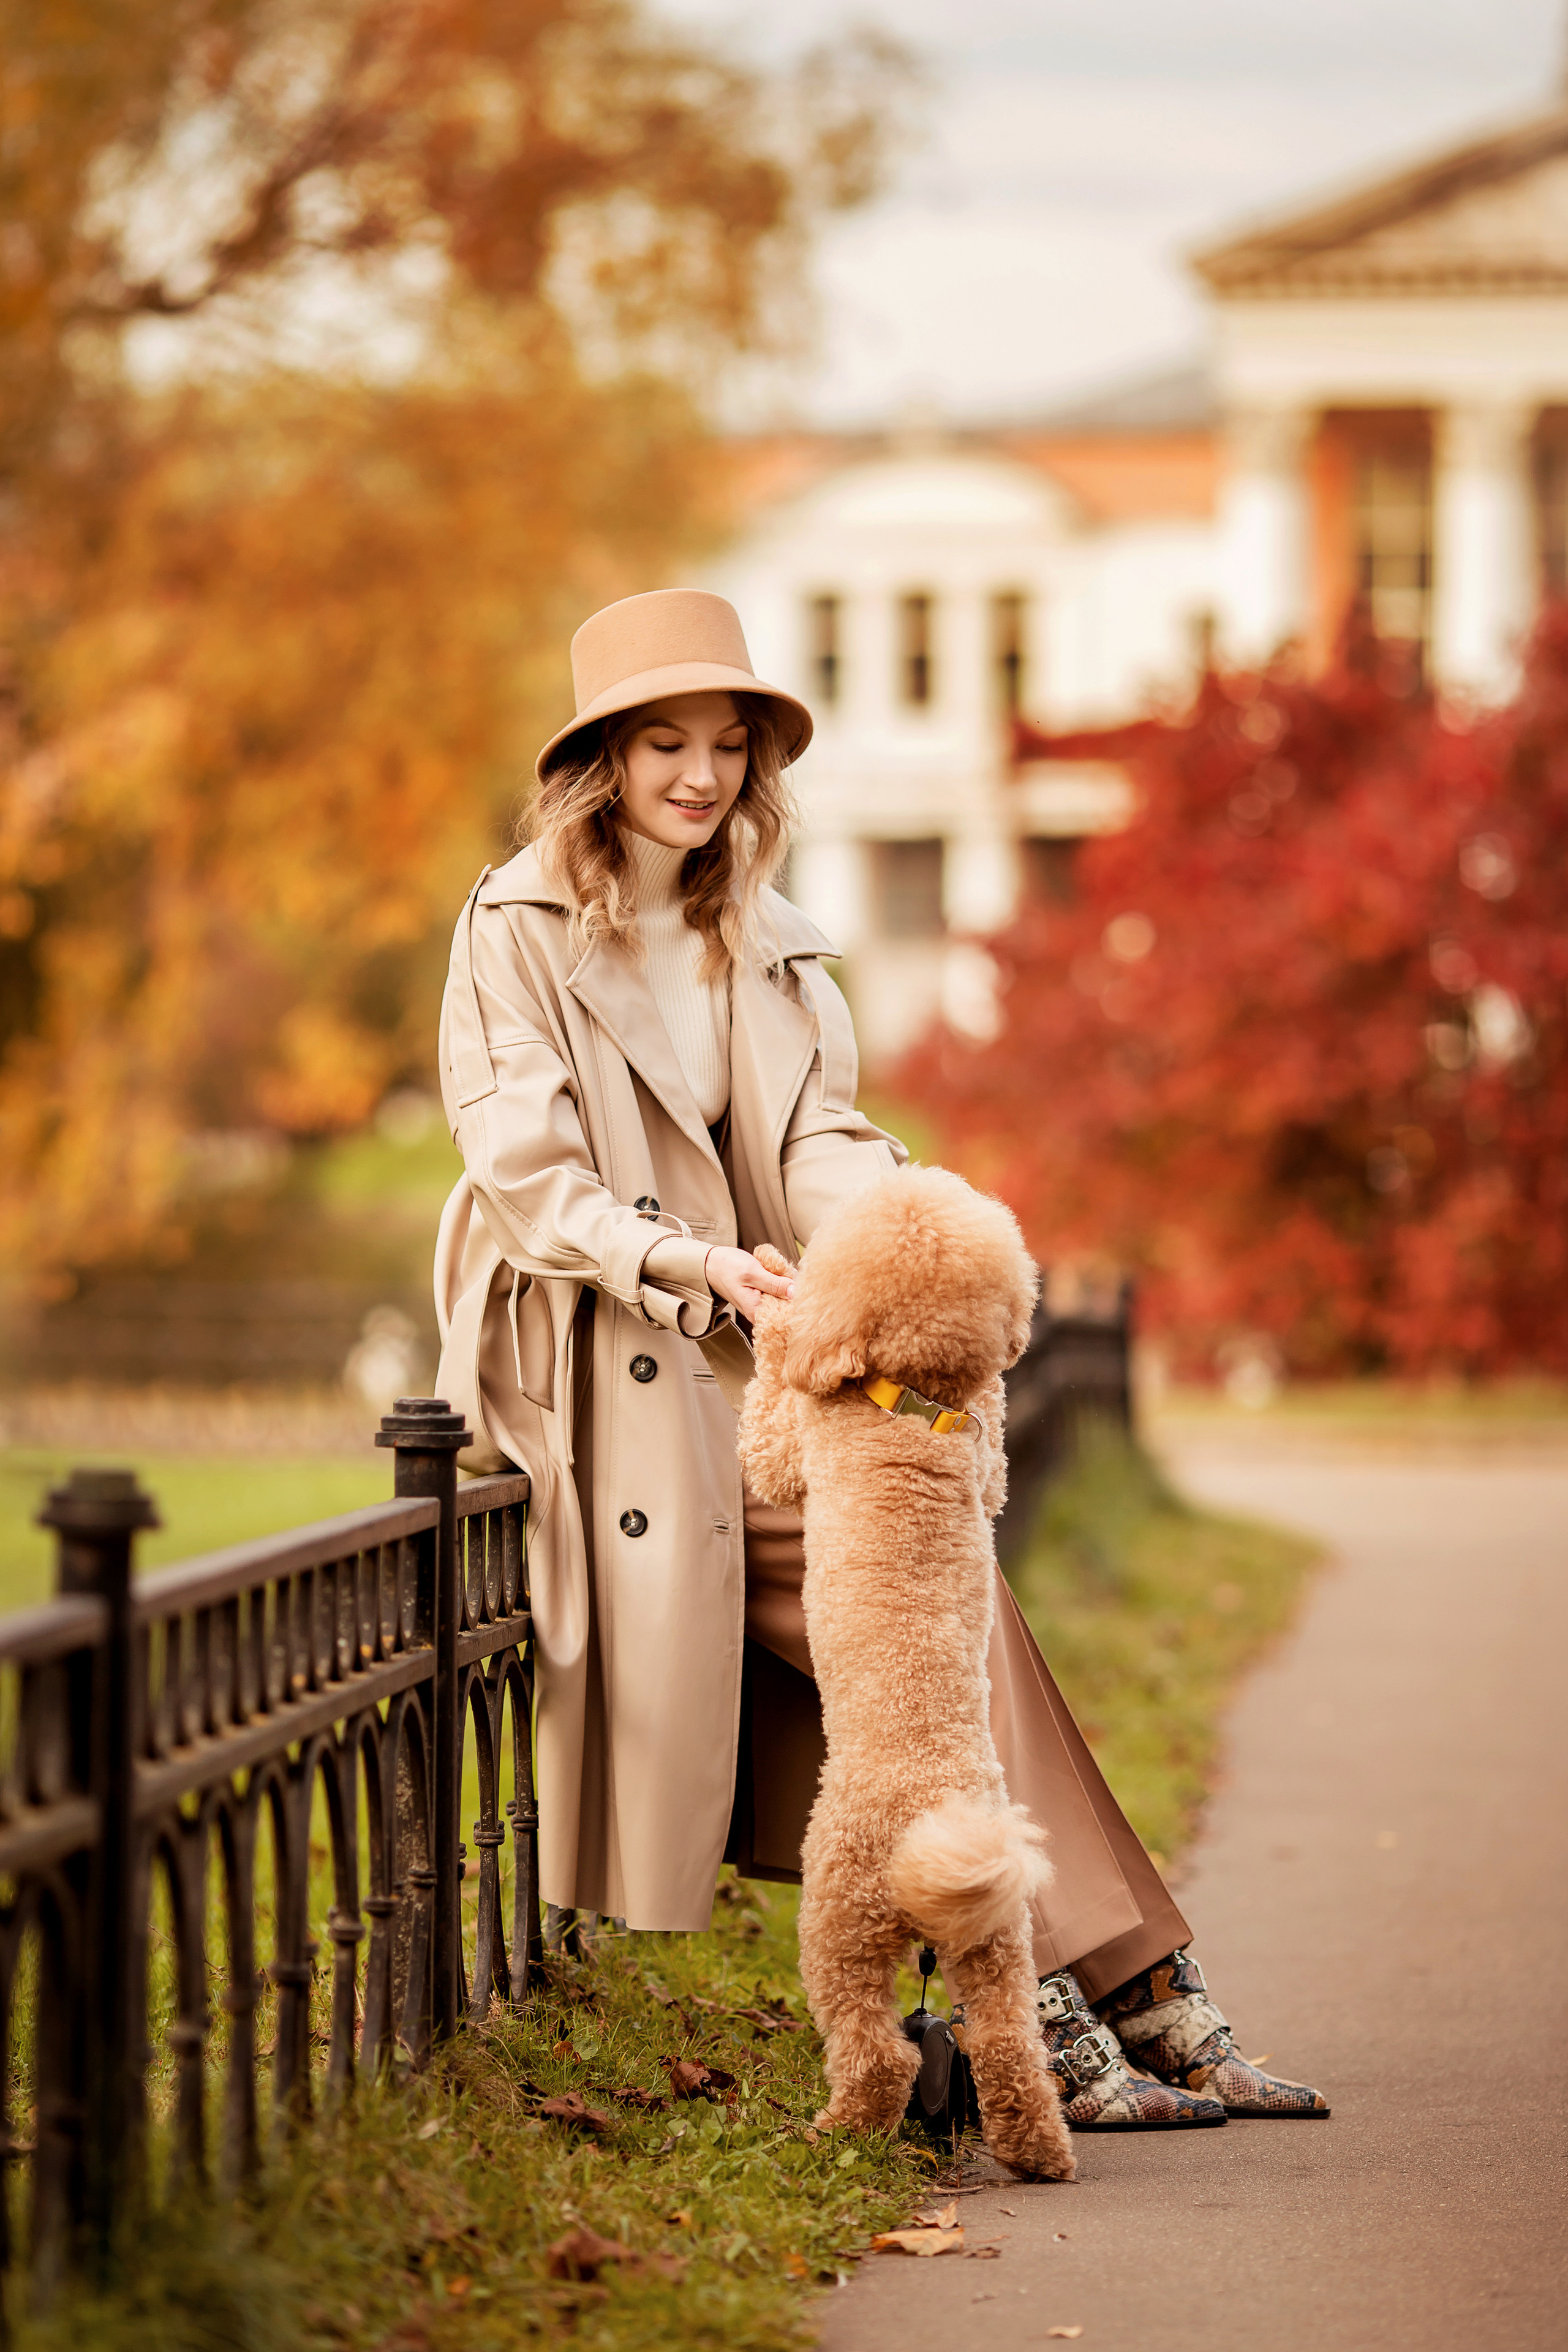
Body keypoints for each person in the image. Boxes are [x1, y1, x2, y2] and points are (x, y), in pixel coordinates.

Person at [433, 589, 1327, 2127]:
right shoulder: (512, 929)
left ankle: (1109, 1997)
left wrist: (916, 1228)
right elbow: (529, 1176)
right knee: (930, 1621)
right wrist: (687, 1260)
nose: (699, 776)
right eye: (664, 743)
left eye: (725, 745)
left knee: (943, 1607)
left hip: (766, 1341)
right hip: (605, 1347)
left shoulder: (760, 936)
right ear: (600, 760)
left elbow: (814, 1141)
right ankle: (1090, 2001)